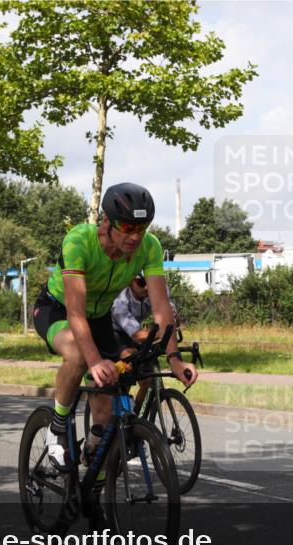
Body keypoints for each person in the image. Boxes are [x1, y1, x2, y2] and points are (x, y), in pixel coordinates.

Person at [33, 182, 197, 470]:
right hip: (57, 309)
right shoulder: (78, 240)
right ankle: (57, 426)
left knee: (108, 406)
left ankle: (96, 455)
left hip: (99, 317)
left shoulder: (149, 247)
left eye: (142, 227)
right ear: (106, 220)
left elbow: (161, 307)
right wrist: (94, 360)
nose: (135, 236)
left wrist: (174, 359)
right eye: (127, 227)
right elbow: (75, 311)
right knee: (78, 355)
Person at [112, 272, 176, 411]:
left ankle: (135, 416)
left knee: (146, 380)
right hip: (114, 331)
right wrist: (160, 333)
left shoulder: (155, 290)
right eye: (141, 282)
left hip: (134, 331)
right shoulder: (120, 301)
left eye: (149, 281)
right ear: (131, 282)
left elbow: (169, 314)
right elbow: (136, 335)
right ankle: (120, 408)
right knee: (129, 360)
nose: (147, 287)